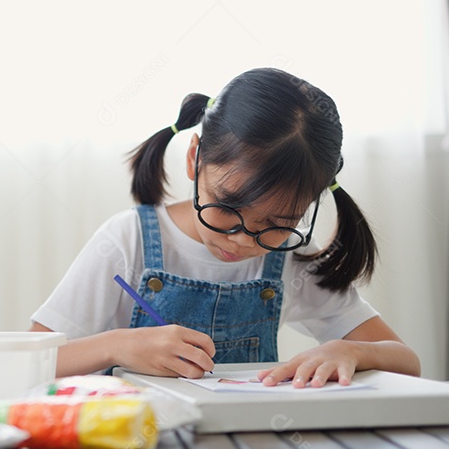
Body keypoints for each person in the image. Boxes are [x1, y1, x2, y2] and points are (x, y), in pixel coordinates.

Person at [30, 68, 420, 387]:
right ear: (195, 158)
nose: (243, 239)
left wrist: (352, 351)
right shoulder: (127, 241)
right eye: (228, 206)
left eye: (277, 223)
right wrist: (116, 346)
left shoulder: (292, 258)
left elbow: (407, 362)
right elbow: (31, 361)